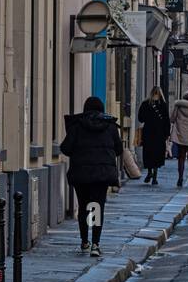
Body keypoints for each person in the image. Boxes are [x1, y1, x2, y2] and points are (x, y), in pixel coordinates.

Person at [60, 95, 123, 259]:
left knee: (83, 207)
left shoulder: (78, 125)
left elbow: (65, 148)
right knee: (96, 207)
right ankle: (96, 244)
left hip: (81, 174)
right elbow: (119, 149)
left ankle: (84, 241)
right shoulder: (110, 126)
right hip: (101, 174)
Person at [137, 86, 170, 186]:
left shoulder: (145, 104)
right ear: (160, 94)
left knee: (148, 152)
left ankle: (149, 172)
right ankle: (155, 176)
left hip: (148, 133)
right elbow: (166, 121)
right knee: (157, 154)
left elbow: (140, 118)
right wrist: (167, 134)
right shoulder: (163, 105)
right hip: (159, 134)